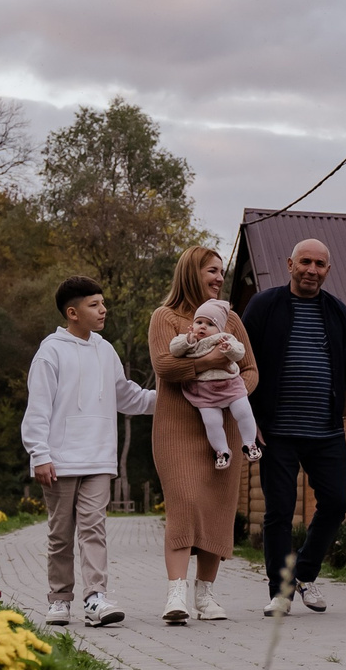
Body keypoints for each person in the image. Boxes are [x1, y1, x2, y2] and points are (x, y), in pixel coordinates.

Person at [240, 236, 346, 615]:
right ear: (290, 264)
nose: (312, 270)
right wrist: (248, 419)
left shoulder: (337, 313)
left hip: (326, 430)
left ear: (327, 270)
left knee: (336, 501)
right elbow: (243, 367)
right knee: (279, 511)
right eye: (305, 262)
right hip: (277, 431)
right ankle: (280, 592)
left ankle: (304, 573)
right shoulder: (264, 305)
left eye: (319, 264)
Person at [20, 275, 155, 628]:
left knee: (94, 530)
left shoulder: (105, 350)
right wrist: (39, 454)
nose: (103, 309)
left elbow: (126, 395)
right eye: (94, 304)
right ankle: (59, 600)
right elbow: (38, 408)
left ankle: (95, 598)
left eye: (102, 302)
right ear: (72, 312)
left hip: (98, 458)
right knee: (61, 534)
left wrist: (166, 400)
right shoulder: (50, 351)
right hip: (59, 461)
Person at [150, 246, 260, 624]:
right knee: (183, 501)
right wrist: (211, 361)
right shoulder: (165, 318)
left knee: (217, 505)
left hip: (223, 426)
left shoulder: (230, 318)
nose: (218, 278)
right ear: (190, 272)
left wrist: (233, 392)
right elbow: (165, 366)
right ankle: (175, 593)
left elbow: (250, 369)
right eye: (211, 271)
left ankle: (206, 594)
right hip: (176, 428)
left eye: (221, 272)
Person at [166, 296, 260, 470]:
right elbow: (174, 349)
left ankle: (249, 442)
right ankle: (222, 451)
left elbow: (240, 352)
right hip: (204, 392)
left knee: (244, 412)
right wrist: (188, 340)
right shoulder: (189, 341)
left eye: (210, 324)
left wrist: (229, 349)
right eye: (199, 322)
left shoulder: (224, 338)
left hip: (230, 386)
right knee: (211, 422)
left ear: (219, 329)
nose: (203, 327)